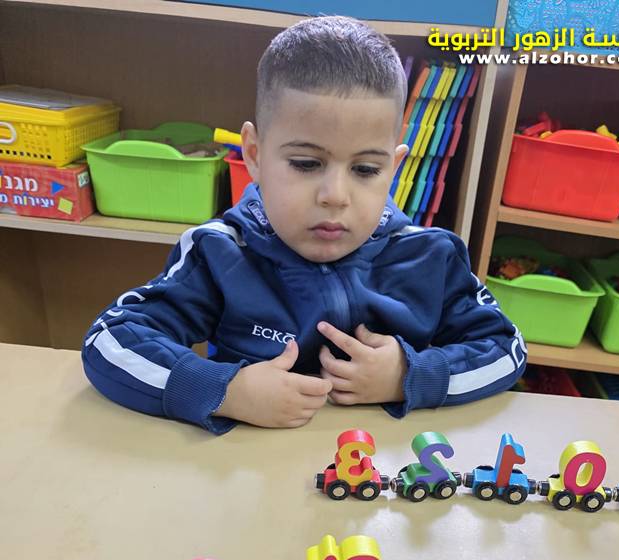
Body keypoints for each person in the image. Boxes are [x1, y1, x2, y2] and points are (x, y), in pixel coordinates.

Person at [82, 15, 526, 433]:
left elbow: (505, 349)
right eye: (306, 163)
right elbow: (110, 341)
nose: (335, 195)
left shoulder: (431, 257)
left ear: (393, 168)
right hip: (252, 471)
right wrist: (225, 391)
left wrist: (411, 375)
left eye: (366, 170)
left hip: (383, 475)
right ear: (254, 154)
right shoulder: (220, 253)